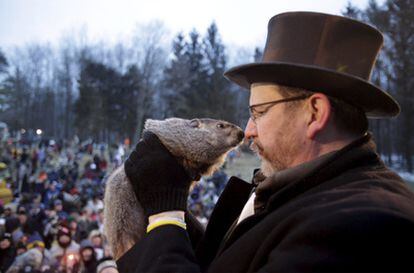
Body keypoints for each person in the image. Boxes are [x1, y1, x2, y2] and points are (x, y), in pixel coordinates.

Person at [117, 12, 414, 272]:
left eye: (258, 113)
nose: (248, 131)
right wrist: (171, 203)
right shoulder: (300, 192)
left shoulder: (359, 227)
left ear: (315, 113)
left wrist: (165, 218)